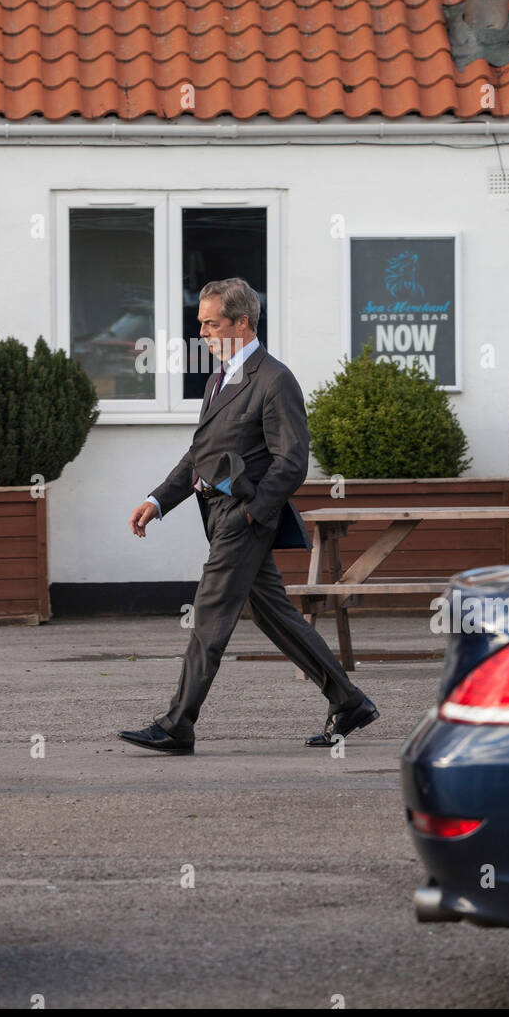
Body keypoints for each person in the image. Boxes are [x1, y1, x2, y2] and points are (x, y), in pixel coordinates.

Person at [121, 277, 378, 755]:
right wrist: (157, 501)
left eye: (211, 324)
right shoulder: (220, 378)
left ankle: (178, 725)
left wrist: (254, 517)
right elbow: (201, 454)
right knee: (276, 617)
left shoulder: (275, 380)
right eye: (201, 324)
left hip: (242, 520)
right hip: (219, 515)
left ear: (242, 322)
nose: (203, 334)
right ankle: (349, 701)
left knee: (210, 616)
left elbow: (292, 461)